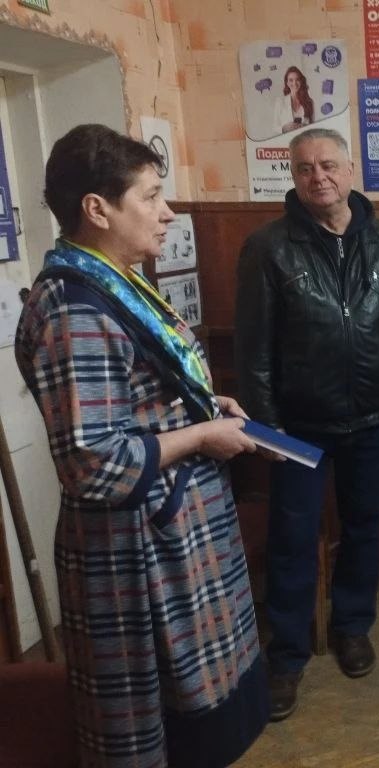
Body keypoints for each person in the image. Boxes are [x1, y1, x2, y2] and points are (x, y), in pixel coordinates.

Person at [14, 124, 268, 767]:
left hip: (173, 531)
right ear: (97, 209)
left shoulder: (114, 281)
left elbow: (141, 400)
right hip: (136, 550)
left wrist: (204, 405)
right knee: (156, 731)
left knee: (207, 720)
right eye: (151, 196)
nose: (168, 211)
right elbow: (93, 463)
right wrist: (202, 434)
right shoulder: (75, 310)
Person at [235, 128, 379, 721]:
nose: (317, 176)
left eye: (327, 165)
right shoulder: (268, 247)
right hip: (297, 426)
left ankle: (352, 627)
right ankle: (288, 654)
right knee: (292, 538)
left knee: (365, 528)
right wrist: (266, 430)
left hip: (372, 419)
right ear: (293, 177)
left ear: (349, 170)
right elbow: (253, 350)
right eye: (303, 168)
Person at [275, 66, 315, 133]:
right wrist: (284, 128)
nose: (294, 83)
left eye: (297, 79)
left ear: (301, 81)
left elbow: (314, 126)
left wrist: (305, 127)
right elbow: (275, 126)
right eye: (291, 80)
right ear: (287, 83)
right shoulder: (280, 102)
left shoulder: (309, 102)